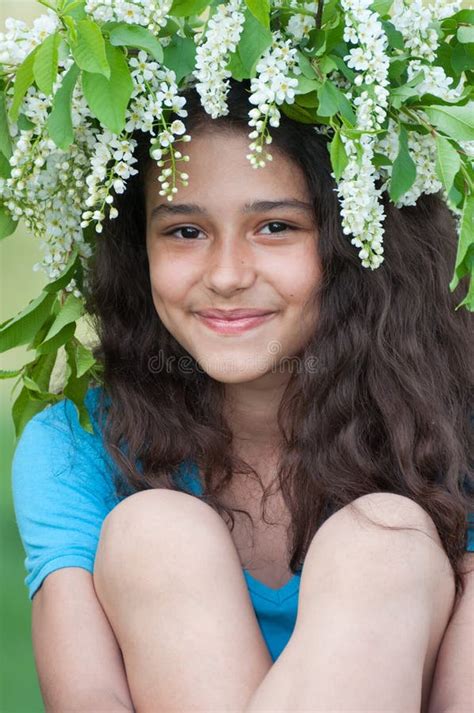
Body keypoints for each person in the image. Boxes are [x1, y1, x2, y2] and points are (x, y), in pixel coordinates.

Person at [12, 80, 474, 712]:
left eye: (276, 226)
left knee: (385, 539)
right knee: (153, 530)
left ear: (364, 244)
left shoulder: (459, 431)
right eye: (184, 232)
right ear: (135, 250)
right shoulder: (74, 448)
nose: (227, 275)